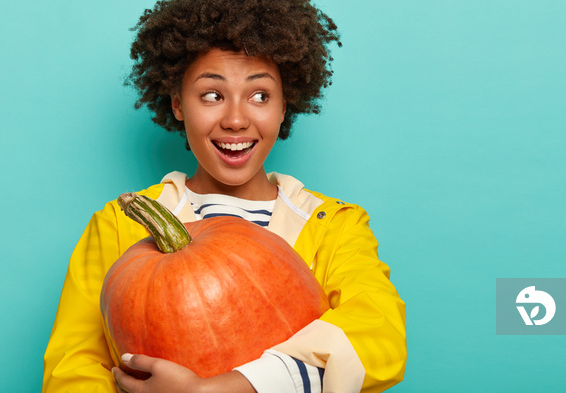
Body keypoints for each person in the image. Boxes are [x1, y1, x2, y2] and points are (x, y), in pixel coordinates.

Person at [43, 0, 407, 392]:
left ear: (286, 105)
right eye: (212, 95)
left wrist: (222, 389)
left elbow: (379, 337)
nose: (235, 119)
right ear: (178, 104)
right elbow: (73, 369)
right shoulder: (117, 227)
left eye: (260, 95)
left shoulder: (335, 227)